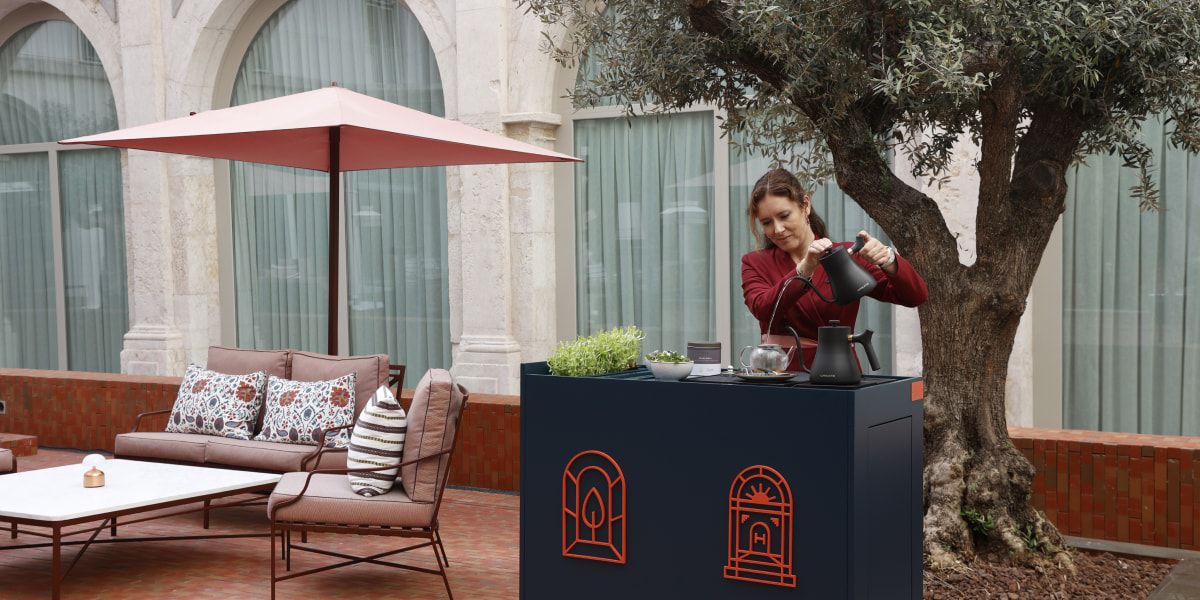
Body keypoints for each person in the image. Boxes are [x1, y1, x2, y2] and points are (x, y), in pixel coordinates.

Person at [741, 169, 928, 371]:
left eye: (784, 216)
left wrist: (888, 259)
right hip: (782, 377)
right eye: (767, 222)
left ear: (805, 206)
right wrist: (803, 270)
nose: (777, 229)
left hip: (841, 373)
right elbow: (763, 309)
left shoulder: (847, 254)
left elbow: (915, 296)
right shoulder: (755, 262)